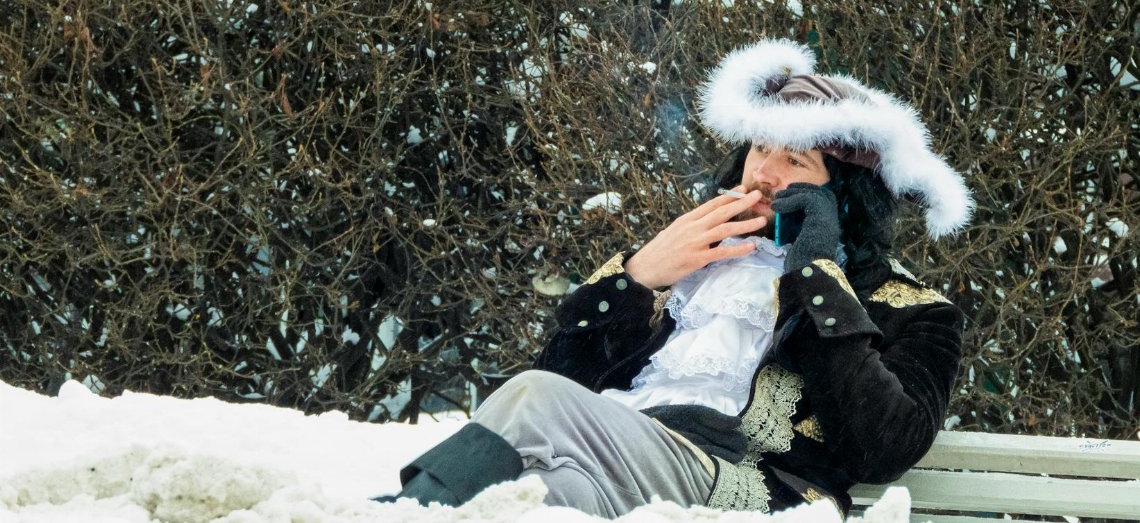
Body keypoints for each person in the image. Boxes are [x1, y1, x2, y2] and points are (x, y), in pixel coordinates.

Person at [378, 38, 974, 517]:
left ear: (844, 196)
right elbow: (565, 382)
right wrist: (639, 275)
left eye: (795, 160)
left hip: (745, 490)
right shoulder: (698, 258)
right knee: (536, 497)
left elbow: (884, 448)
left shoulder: (915, 309)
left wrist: (814, 272)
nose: (764, 173)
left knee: (536, 395)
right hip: (624, 466)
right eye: (760, 148)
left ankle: (391, 517)